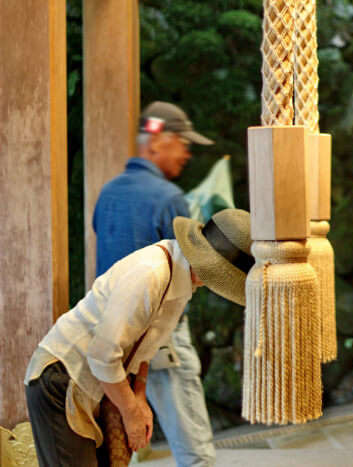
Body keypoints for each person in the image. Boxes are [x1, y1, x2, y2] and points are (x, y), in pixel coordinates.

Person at [25, 208, 253, 467]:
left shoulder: (183, 279)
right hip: (63, 377)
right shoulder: (151, 272)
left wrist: (140, 397)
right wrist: (130, 410)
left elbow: (146, 348)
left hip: (103, 384)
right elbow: (102, 355)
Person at [91, 101, 217, 466]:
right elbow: (190, 268)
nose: (188, 153)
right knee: (193, 446)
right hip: (164, 334)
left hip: (114, 337)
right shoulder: (170, 198)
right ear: (157, 141)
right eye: (183, 142)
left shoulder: (108, 193)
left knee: (120, 446)